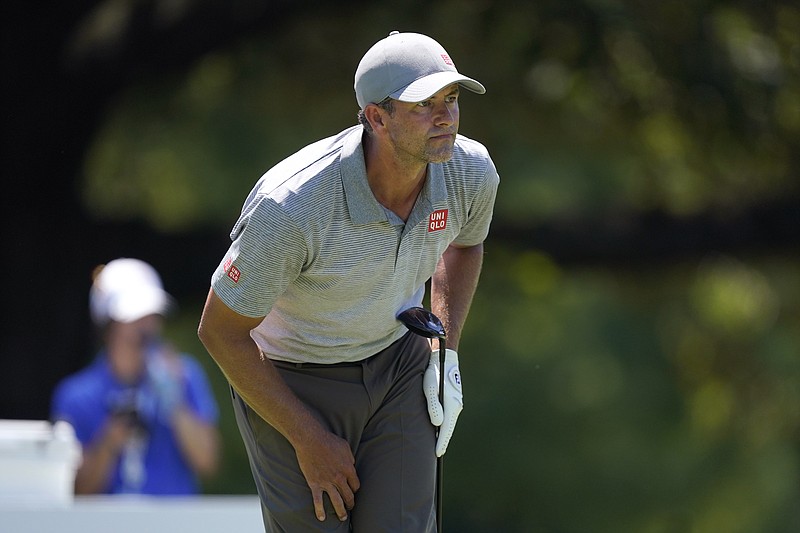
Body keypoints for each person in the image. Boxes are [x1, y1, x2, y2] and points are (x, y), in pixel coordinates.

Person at [198, 31, 499, 531]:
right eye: (424, 105)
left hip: (399, 364)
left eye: (451, 99)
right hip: (293, 378)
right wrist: (307, 437)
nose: (446, 117)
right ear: (377, 118)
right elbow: (219, 331)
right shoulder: (293, 206)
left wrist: (446, 356)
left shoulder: (470, 171)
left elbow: (466, 244)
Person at [52, 258, 220, 495]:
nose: (147, 327)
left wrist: (175, 403)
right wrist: (110, 442)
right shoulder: (76, 395)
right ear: (108, 324)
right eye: (134, 317)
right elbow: (77, 490)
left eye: (152, 315)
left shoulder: (184, 375)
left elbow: (207, 463)